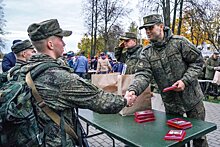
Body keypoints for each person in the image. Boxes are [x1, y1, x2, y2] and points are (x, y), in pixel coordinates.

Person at [20, 18, 136, 146]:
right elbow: (98, 100)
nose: (64, 43)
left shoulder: (26, 69)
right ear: (50, 44)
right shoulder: (59, 77)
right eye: (61, 39)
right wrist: (125, 100)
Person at [125, 14, 208, 147]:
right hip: (172, 104)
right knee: (175, 140)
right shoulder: (147, 52)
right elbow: (143, 74)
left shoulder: (179, 42)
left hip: (192, 100)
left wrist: (184, 81)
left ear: (161, 27)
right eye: (145, 29)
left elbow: (198, 62)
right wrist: (133, 89)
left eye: (150, 27)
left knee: (199, 138)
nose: (147, 31)